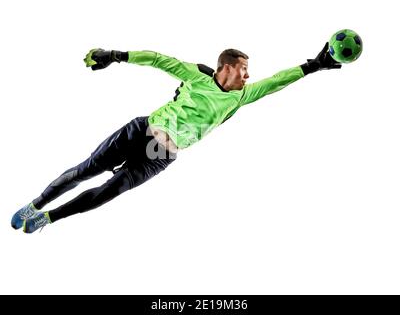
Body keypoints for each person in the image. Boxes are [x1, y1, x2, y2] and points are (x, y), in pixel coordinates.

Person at [11, 43, 341, 233]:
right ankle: (36, 203)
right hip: (141, 131)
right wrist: (117, 55)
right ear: (225, 67)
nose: (248, 75)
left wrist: (314, 65)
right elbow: (158, 59)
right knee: (86, 171)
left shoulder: (242, 96)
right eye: (243, 69)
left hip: (162, 154)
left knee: (111, 190)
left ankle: (47, 218)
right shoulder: (196, 74)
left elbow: (277, 80)